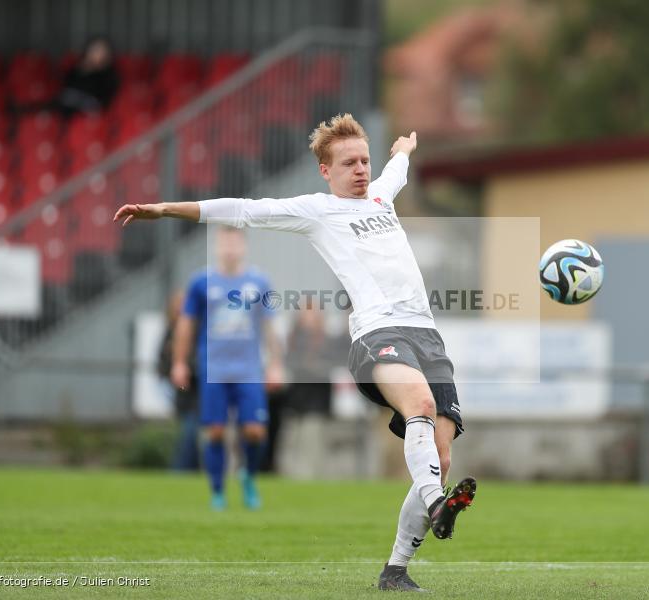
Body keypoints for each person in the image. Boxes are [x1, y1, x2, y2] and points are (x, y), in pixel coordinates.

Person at [114, 114, 476, 591]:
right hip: (377, 332)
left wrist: (404, 149)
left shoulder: (382, 196)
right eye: (349, 163)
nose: (361, 170)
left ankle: (395, 570)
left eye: (365, 160)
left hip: (427, 335)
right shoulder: (316, 210)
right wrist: (164, 209)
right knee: (421, 408)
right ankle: (436, 504)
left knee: (442, 457)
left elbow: (397, 170)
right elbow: (243, 210)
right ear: (326, 171)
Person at [174, 226, 284, 510]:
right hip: (214, 369)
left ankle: (247, 475)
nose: (230, 248)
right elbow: (186, 325)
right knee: (215, 432)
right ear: (217, 246)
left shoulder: (259, 282)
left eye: (235, 242)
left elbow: (270, 326)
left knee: (255, 431)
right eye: (225, 242)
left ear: (243, 246)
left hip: (248, 369)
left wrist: (275, 365)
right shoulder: (201, 282)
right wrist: (179, 362)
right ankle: (218, 491)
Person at [157, 290, 200, 472]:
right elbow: (162, 365)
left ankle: (183, 471)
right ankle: (181, 471)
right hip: (185, 396)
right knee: (187, 435)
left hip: (199, 394)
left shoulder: (199, 331)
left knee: (193, 435)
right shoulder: (170, 333)